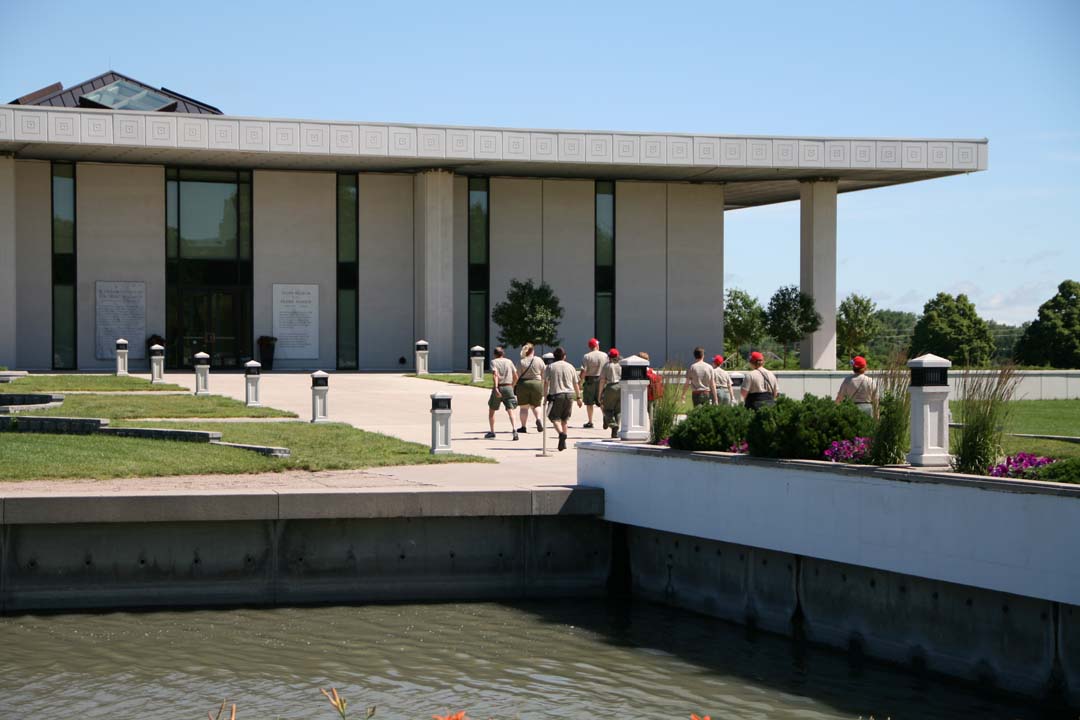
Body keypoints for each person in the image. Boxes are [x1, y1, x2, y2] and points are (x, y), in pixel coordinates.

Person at [543, 346, 583, 451]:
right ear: (564, 356)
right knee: (565, 419)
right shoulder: (570, 367)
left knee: (554, 418)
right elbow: (576, 383)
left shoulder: (550, 367)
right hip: (569, 395)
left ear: (554, 357)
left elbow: (546, 383)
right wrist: (578, 397)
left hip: (557, 395)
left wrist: (545, 397)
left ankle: (561, 434)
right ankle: (563, 442)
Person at [485, 346, 519, 440]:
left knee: (492, 410)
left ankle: (492, 432)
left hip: (499, 387)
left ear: (494, 354)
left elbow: (495, 375)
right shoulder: (509, 361)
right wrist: (512, 385)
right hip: (508, 387)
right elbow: (516, 376)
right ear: (503, 353)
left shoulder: (494, 362)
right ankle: (514, 429)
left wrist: (496, 387)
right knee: (510, 410)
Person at [515, 342, 545, 433]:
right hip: (537, 384)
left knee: (524, 408)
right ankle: (538, 419)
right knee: (536, 405)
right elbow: (544, 373)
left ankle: (523, 427)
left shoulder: (521, 361)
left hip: (523, 384)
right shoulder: (539, 360)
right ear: (533, 351)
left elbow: (517, 375)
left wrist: (514, 385)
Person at [580, 338, 608, 428]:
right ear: (596, 345)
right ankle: (605, 417)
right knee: (601, 401)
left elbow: (584, 370)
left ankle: (590, 421)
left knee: (589, 403)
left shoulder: (587, 356)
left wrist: (580, 380)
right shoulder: (604, 355)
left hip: (590, 380)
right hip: (602, 380)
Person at [597, 347, 622, 438]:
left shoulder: (607, 365)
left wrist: (599, 394)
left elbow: (602, 381)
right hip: (621, 387)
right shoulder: (621, 365)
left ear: (609, 356)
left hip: (610, 387)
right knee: (618, 410)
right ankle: (615, 430)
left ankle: (613, 425)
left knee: (607, 409)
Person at [639, 351, 662, 419]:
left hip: (640, 396)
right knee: (651, 414)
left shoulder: (637, 371)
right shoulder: (653, 371)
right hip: (652, 396)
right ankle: (651, 425)